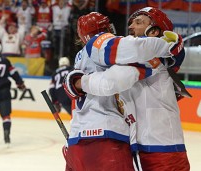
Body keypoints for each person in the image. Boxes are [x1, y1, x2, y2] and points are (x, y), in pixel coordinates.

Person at [64, 8, 190, 171]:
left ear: (154, 31)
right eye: (131, 22)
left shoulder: (156, 53)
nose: (131, 26)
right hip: (137, 148)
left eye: (139, 22)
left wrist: (80, 83)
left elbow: (112, 80)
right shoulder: (131, 55)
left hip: (163, 148)